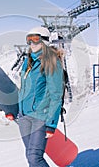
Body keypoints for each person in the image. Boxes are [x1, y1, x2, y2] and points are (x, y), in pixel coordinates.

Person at [7, 27, 64, 167]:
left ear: (45, 41)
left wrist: (51, 124)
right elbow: (24, 90)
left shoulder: (52, 62)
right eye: (29, 39)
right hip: (24, 115)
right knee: (30, 155)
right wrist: (15, 110)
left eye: (36, 39)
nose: (32, 43)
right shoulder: (28, 62)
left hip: (41, 116)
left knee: (34, 157)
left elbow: (56, 95)